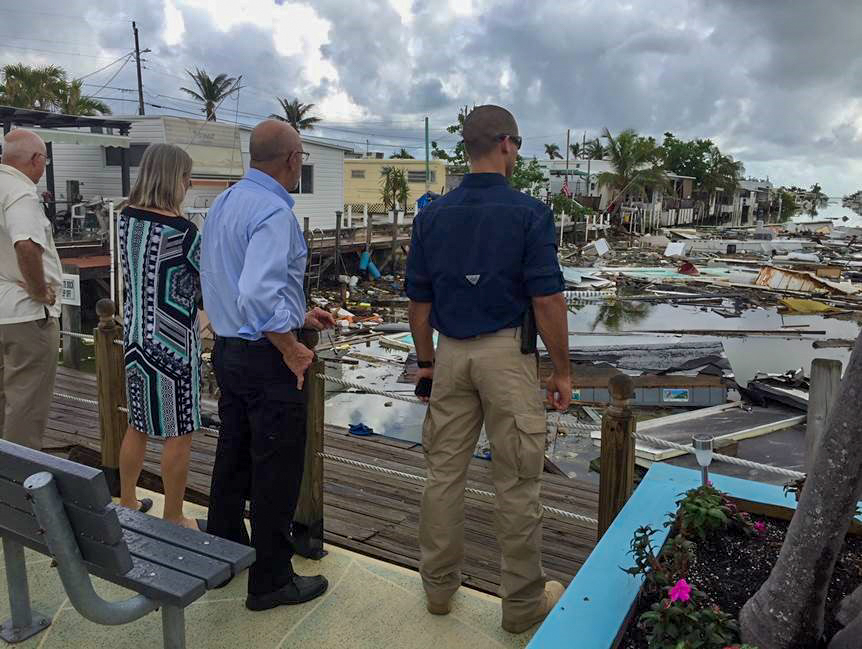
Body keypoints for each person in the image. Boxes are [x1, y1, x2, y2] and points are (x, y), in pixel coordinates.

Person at [405, 105, 572, 634]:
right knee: (518, 483)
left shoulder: (431, 214)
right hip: (506, 355)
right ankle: (521, 605)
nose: (518, 153)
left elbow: (419, 308)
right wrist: (562, 371)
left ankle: (438, 591)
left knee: (442, 476)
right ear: (505, 144)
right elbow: (547, 301)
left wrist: (427, 364)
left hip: (449, 353)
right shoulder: (529, 213)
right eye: (518, 144)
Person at [201, 119, 336, 612]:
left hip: (230, 349)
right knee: (276, 466)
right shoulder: (274, 213)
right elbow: (257, 293)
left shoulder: (227, 202)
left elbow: (233, 280)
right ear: (292, 159)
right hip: (264, 355)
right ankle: (272, 581)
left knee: (233, 457)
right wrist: (290, 345)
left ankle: (222, 555)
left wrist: (297, 313)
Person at [116, 143, 201, 528]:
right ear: (175, 179)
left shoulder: (124, 218)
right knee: (178, 433)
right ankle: (174, 514)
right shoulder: (183, 232)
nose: (188, 183)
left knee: (138, 424)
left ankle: (129, 498)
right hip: (173, 346)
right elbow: (207, 283)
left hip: (134, 338)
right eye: (186, 176)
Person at [0, 129, 62, 450]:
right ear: (36, 160)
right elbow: (25, 244)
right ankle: (15, 493)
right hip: (26, 316)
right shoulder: (21, 193)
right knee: (25, 409)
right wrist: (39, 291)